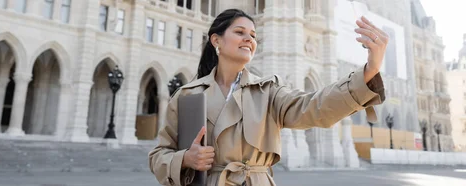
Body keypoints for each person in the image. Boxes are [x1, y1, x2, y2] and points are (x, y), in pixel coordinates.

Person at [149, 9, 387, 186]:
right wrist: (186, 159)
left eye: (253, 35)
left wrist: (369, 71)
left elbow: (314, 106)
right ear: (216, 40)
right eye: (240, 32)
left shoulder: (269, 92)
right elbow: (159, 155)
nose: (249, 39)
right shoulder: (187, 96)